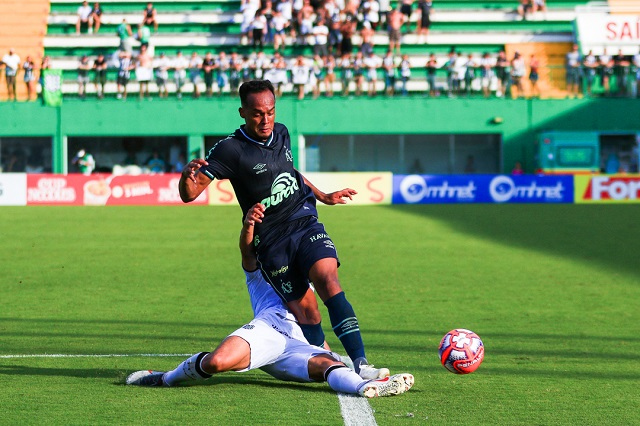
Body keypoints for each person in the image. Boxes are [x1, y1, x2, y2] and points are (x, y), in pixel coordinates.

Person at [178, 80, 388, 379]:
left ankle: (361, 363)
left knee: (328, 280)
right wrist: (187, 176)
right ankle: (328, 358)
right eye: (257, 114)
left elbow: (290, 173)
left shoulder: (283, 132)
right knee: (308, 312)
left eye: (271, 112)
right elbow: (190, 193)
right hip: (272, 242)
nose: (266, 120)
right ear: (242, 112)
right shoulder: (230, 149)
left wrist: (322, 195)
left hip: (304, 222)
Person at [126, 204, 414, 398]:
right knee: (216, 362)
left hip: (298, 343)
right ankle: (164, 378)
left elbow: (313, 320)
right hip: (267, 331)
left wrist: (328, 349)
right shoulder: (261, 269)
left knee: (328, 366)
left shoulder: (308, 266)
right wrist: (249, 225)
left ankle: (369, 386)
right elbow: (248, 253)